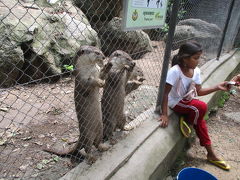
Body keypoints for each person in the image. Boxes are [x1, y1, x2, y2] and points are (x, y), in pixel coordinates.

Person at [159, 41, 231, 170]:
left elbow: (199, 91)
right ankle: (191, 124)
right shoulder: (174, 71)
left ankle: (209, 151)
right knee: (200, 109)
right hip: (175, 102)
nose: (199, 61)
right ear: (185, 58)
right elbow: (165, 94)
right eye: (196, 58)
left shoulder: (196, 71)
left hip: (187, 100)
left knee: (199, 115)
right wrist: (164, 114)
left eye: (199, 57)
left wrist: (217, 87)